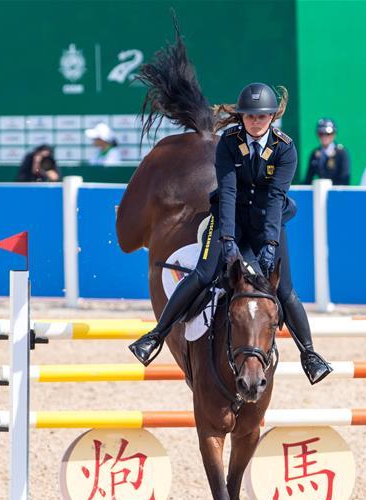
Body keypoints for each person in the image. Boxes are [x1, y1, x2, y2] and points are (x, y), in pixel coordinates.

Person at [128, 82, 333, 384]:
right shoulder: (228, 142)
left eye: (261, 117)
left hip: (267, 223)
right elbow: (226, 191)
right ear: (242, 117)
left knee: (285, 290)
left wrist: (270, 243)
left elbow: (276, 197)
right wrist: (226, 241)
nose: (255, 122)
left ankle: (310, 355)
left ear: (271, 117)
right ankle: (155, 337)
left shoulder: (284, 147)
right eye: (249, 117)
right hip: (229, 216)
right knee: (202, 273)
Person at [304, 118, 350, 185]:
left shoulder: (341, 153)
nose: (324, 137)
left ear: (334, 134)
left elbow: (345, 179)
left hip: (337, 192)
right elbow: (308, 179)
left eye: (328, 134)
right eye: (321, 134)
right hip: (319, 191)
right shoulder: (315, 154)